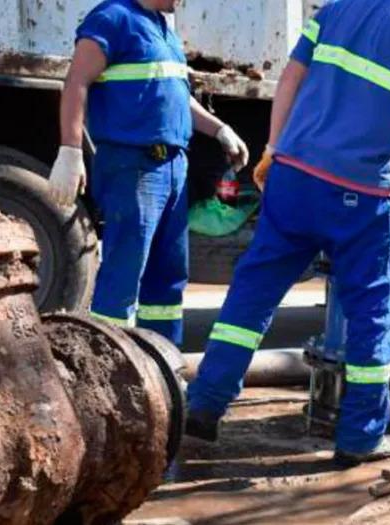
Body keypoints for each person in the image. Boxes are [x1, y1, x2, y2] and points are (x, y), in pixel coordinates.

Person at [185, 0, 390, 467]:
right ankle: (360, 436)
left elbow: (290, 78)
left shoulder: (334, 9)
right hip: (360, 195)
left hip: (293, 176)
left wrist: (273, 147)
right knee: (370, 314)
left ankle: (205, 404)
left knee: (251, 296)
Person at [49, 0, 249, 346]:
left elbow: (177, 93)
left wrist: (219, 129)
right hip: (134, 166)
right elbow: (76, 82)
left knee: (168, 278)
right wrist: (69, 149)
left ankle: (162, 363)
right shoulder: (112, 18)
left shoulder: (162, 28)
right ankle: (109, 365)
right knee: (124, 273)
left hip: (173, 167)